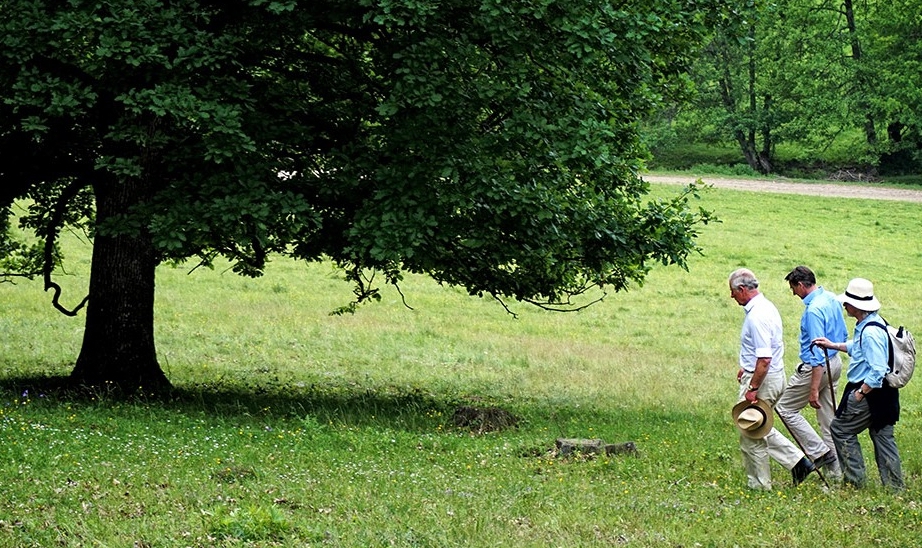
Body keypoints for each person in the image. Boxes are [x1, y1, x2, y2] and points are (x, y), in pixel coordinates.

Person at [812, 278, 904, 490]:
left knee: (841, 430)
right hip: (886, 395)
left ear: (857, 305)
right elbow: (861, 348)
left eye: (848, 302)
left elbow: (878, 369)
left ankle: (854, 482)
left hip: (869, 392)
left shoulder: (870, 331)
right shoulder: (875, 322)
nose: (845, 305)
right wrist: (834, 345)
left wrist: (860, 393)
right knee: (883, 436)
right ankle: (894, 488)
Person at [728, 268, 815, 490]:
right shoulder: (766, 307)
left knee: (750, 431)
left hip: (764, 378)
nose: (731, 297)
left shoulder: (757, 316)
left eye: (733, 292)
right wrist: (746, 367)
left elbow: (764, 358)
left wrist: (753, 386)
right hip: (772, 375)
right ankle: (798, 463)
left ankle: (759, 484)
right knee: (759, 425)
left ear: (742, 289)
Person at [776, 266, 848, 478]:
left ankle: (820, 452)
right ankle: (837, 473)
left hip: (818, 367)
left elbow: (817, 353)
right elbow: (842, 333)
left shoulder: (814, 310)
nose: (793, 293)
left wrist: (814, 388)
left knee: (784, 408)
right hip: (835, 362)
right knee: (828, 420)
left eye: (793, 288)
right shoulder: (831, 298)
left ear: (800, 285)